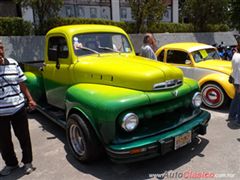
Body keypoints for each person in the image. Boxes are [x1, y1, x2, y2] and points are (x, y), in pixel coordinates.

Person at [0, 41, 37, 176]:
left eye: (1, 48)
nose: (0, 51)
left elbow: (22, 84)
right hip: (1, 113)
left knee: (24, 137)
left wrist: (30, 99)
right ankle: (11, 163)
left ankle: (28, 162)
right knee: (4, 141)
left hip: (18, 108)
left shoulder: (13, 63)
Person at [228, 48, 240, 126]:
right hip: (238, 81)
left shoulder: (235, 55)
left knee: (236, 98)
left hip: (234, 79)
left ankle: (231, 115)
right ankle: (239, 120)